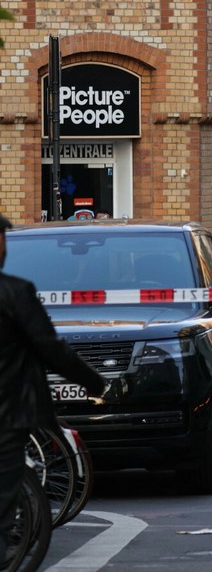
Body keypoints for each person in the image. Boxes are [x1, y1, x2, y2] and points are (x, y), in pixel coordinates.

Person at [0, 214, 106, 559]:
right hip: (8, 411)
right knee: (3, 495)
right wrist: (93, 382)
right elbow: (50, 348)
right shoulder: (15, 292)